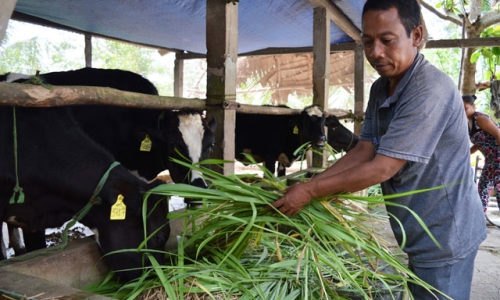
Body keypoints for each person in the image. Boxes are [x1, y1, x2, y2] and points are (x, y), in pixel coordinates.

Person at [271, 0, 487, 299]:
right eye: (368, 42)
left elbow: (383, 167)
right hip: (417, 228)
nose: (375, 52)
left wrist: (309, 193)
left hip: (446, 233)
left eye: (387, 40)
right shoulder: (381, 87)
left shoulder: (428, 89)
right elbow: (364, 150)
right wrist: (310, 185)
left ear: (416, 35)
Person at [463, 94, 500, 212]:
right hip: (490, 160)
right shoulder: (468, 124)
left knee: (499, 189)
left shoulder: (480, 119)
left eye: (465, 109)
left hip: (498, 157)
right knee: (482, 189)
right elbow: (479, 144)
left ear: (473, 106)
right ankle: (478, 219)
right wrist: (464, 154)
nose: (462, 112)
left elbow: (498, 134)